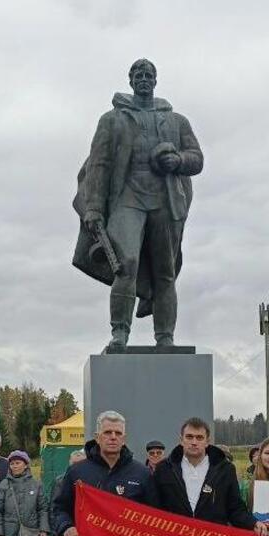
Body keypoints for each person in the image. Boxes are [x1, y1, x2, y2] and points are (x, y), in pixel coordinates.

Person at [71, 58, 205, 349]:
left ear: (156, 81)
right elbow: (99, 165)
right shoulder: (112, 119)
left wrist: (178, 159)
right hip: (127, 199)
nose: (144, 79)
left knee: (165, 271)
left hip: (165, 202)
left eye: (149, 75)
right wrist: (93, 206)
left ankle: (165, 337)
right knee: (125, 263)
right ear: (131, 81)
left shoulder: (176, 121)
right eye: (139, 75)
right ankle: (120, 332)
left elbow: (197, 159)